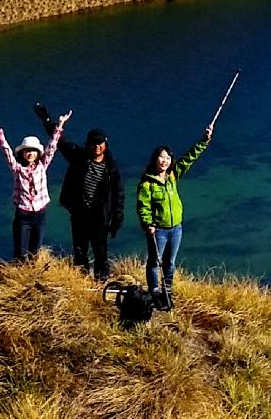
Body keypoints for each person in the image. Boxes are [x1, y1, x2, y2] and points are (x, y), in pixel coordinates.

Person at [34, 102, 124, 280]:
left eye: (100, 143)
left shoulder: (111, 169)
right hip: (80, 213)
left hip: (100, 216)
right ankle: (81, 282)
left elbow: (118, 196)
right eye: (93, 143)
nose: (96, 146)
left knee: (100, 251)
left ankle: (101, 282)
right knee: (80, 250)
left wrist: (117, 219)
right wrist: (47, 119)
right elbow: (60, 141)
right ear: (88, 144)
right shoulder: (79, 157)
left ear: (105, 145)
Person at [137, 123, 211, 311]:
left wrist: (204, 140)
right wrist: (148, 224)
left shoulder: (172, 176)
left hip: (176, 228)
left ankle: (167, 291)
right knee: (155, 262)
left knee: (170, 262)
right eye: (161, 157)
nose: (164, 160)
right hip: (158, 230)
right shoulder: (147, 183)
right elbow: (143, 206)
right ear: (155, 159)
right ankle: (155, 293)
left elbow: (189, 159)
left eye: (167, 157)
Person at [0, 108, 69, 260]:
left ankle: (32, 278)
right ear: (22, 153)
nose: (30, 154)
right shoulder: (17, 169)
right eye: (27, 151)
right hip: (23, 215)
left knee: (34, 252)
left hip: (40, 214)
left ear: (38, 153)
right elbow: (6, 150)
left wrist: (60, 124)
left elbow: (52, 147)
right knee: (20, 253)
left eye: (33, 151)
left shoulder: (42, 165)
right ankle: (19, 277)